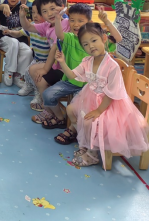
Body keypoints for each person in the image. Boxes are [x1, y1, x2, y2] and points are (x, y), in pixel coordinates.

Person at [55, 23, 148, 169]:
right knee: (71, 109)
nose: (91, 46)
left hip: (109, 103)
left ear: (104, 39)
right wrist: (62, 63)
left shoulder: (112, 66)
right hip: (91, 97)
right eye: (86, 44)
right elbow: (72, 75)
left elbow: (111, 94)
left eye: (94, 40)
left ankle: (93, 155)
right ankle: (86, 143)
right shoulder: (87, 61)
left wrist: (98, 111)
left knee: (89, 121)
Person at [38, 4, 121, 130]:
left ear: (89, 22)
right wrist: (58, 19)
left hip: (90, 86)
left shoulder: (96, 40)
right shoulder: (70, 38)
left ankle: (74, 130)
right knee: (47, 95)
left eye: (80, 21)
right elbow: (59, 34)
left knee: (77, 108)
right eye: (72, 20)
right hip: (70, 81)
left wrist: (106, 21)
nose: (76, 24)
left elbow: (117, 38)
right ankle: (60, 118)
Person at [19, 0, 70, 110]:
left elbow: (55, 48)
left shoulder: (66, 23)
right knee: (32, 69)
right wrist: (22, 16)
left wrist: (45, 69)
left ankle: (50, 106)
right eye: (45, 11)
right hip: (56, 64)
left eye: (52, 9)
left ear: (61, 7)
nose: (50, 14)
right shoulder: (47, 25)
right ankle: (47, 104)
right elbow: (28, 27)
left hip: (66, 65)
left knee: (40, 78)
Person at [4, 0, 50, 105]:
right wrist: (10, 32)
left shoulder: (48, 28)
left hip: (47, 61)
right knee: (27, 72)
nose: (35, 16)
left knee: (37, 76)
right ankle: (29, 86)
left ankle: (38, 94)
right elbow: (19, 33)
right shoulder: (32, 26)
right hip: (37, 59)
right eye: (33, 12)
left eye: (39, 13)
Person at [0, 0, 33, 87]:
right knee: (14, 42)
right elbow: (0, 7)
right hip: (4, 40)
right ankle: (9, 70)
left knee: (28, 51)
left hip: (19, 39)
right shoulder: (3, 7)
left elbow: (24, 0)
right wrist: (4, 6)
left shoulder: (21, 7)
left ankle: (19, 75)